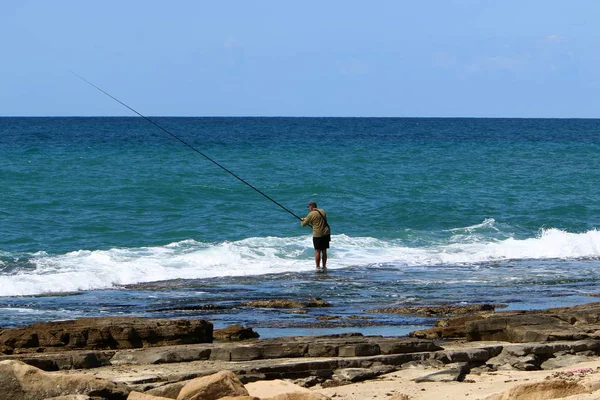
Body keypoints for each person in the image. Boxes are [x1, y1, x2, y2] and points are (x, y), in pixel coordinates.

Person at [300, 201, 331, 270]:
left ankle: (317, 267)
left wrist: (302, 220)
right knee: (324, 251)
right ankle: (324, 266)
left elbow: (303, 224)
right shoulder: (322, 211)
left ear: (311, 206)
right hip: (326, 233)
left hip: (318, 235)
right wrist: (307, 219)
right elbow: (316, 217)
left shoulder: (311, 214)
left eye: (309, 207)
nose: (309, 209)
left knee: (317, 251)